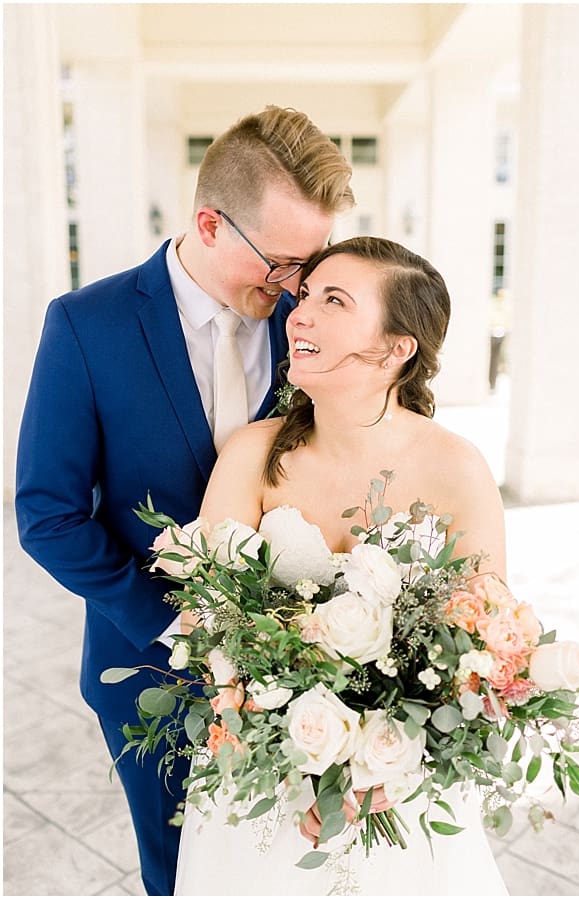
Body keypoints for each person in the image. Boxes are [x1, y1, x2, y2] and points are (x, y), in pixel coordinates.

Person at [15, 105, 354, 895]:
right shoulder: (85, 326)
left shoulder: (305, 325)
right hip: (148, 672)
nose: (296, 287)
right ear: (210, 224)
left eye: (309, 264)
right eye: (281, 263)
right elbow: (48, 516)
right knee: (179, 874)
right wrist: (178, 631)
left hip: (304, 675)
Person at [171, 236, 509, 894]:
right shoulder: (253, 452)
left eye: (334, 301)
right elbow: (205, 616)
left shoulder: (457, 467)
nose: (298, 314)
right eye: (305, 296)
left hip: (401, 780)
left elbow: (485, 641)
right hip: (262, 771)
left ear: (396, 348)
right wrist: (284, 738)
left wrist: (386, 756)